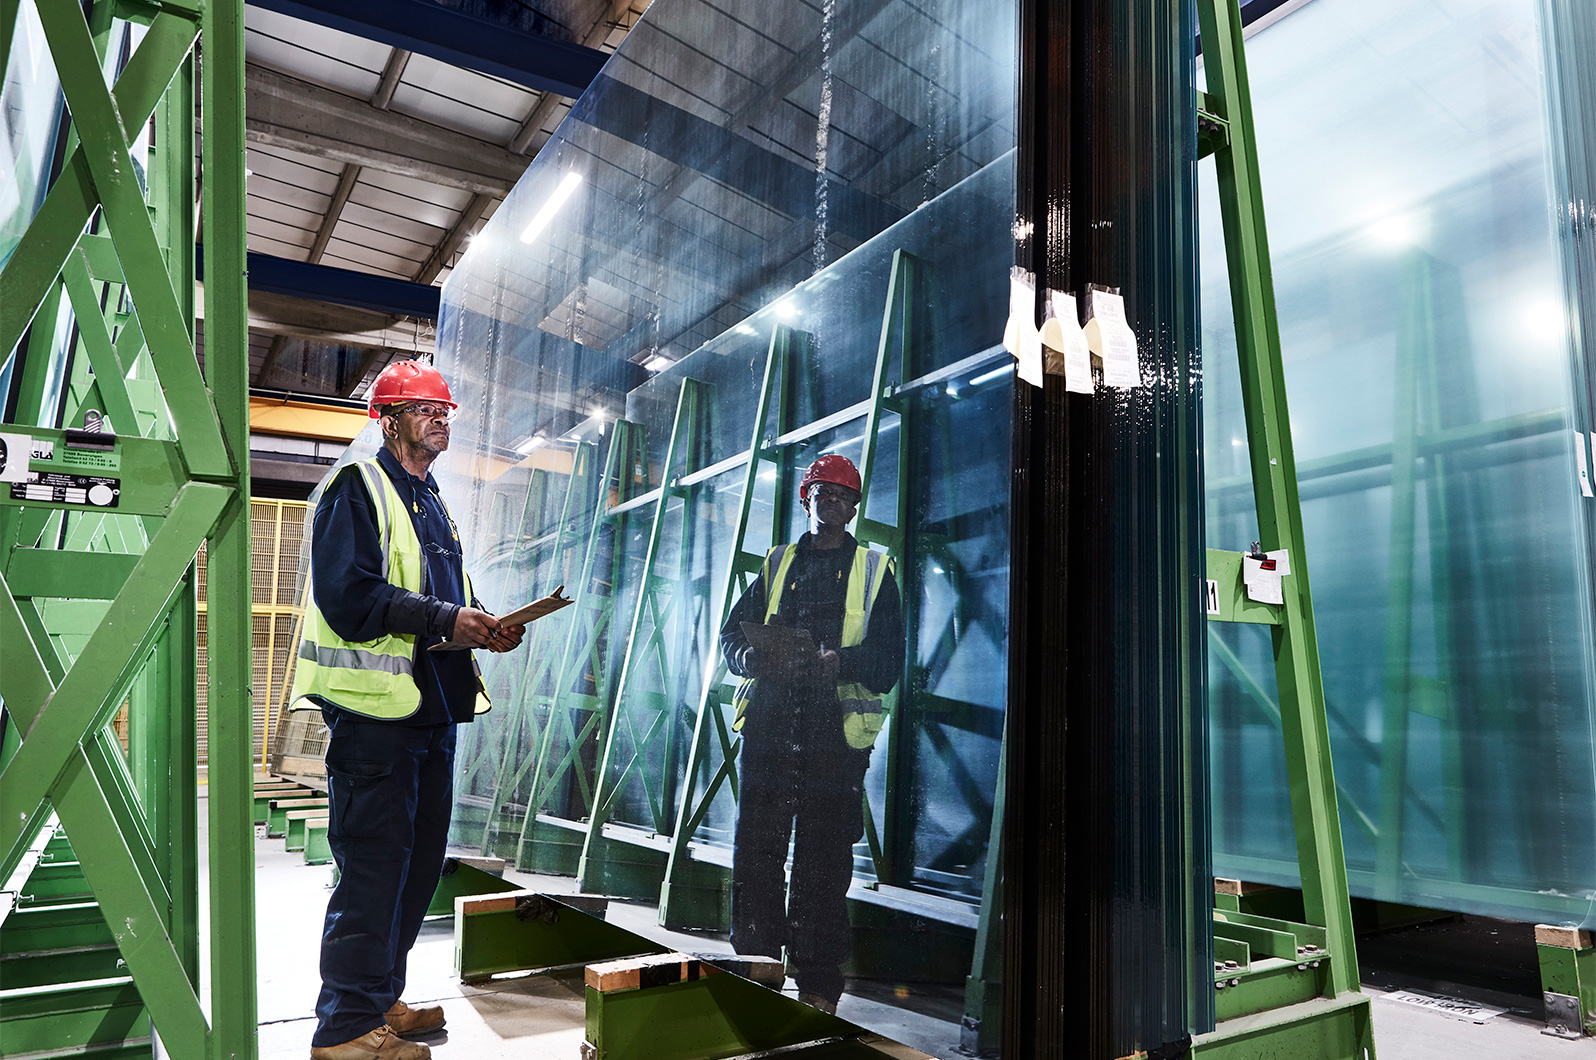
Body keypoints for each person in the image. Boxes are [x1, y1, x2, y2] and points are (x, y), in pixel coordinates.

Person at [291, 360, 524, 1060]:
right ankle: (345, 1031)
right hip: (375, 719)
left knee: (414, 871)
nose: (441, 417)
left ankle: (379, 998)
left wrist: (482, 626)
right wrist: (448, 616)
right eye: (424, 407)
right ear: (387, 419)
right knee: (371, 871)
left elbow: (438, 600)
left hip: (431, 712)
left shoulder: (431, 499)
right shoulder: (356, 488)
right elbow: (352, 599)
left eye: (445, 408)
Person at [719, 454, 904, 1014]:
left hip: (835, 738)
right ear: (807, 499)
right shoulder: (777, 565)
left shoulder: (875, 571)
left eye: (839, 495)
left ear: (853, 506)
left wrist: (839, 663)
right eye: (819, 492)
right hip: (772, 728)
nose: (828, 502)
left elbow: (889, 658)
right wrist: (749, 655)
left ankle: (818, 985)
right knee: (757, 851)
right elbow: (732, 634)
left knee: (823, 862)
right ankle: (755, 967)